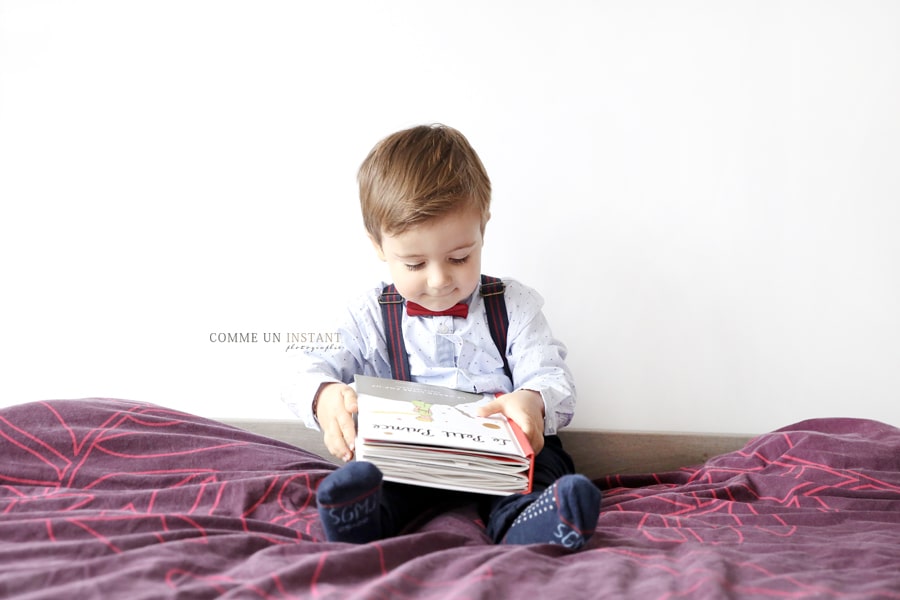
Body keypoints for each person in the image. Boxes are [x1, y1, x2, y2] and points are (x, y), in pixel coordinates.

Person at [283, 124, 600, 549]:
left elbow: (551, 374)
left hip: (502, 457)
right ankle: (360, 517)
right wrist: (324, 395)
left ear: (482, 227)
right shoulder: (367, 313)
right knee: (377, 479)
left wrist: (534, 402)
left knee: (542, 468)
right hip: (408, 458)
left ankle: (533, 522)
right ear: (378, 245)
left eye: (459, 257)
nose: (438, 281)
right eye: (414, 264)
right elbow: (303, 363)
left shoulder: (515, 304)